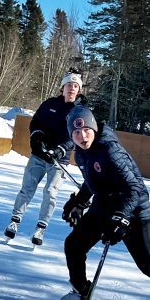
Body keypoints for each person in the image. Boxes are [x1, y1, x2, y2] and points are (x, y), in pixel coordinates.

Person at [62, 105, 150, 298]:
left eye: (86, 130)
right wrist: (78, 201)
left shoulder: (110, 150)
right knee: (74, 245)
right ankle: (81, 291)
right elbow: (92, 181)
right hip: (105, 206)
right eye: (76, 132)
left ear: (93, 129)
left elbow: (133, 188)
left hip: (134, 211)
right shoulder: (81, 153)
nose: (83, 136)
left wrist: (122, 217)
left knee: (147, 264)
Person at [4, 68, 86, 245]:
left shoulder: (79, 112)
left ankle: (41, 228)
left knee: (50, 192)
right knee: (27, 189)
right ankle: (14, 221)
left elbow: (77, 135)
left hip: (59, 160)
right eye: (68, 85)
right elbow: (36, 123)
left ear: (79, 90)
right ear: (62, 88)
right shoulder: (49, 104)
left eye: (75, 86)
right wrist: (37, 138)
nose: (71, 89)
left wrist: (61, 149)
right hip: (39, 155)